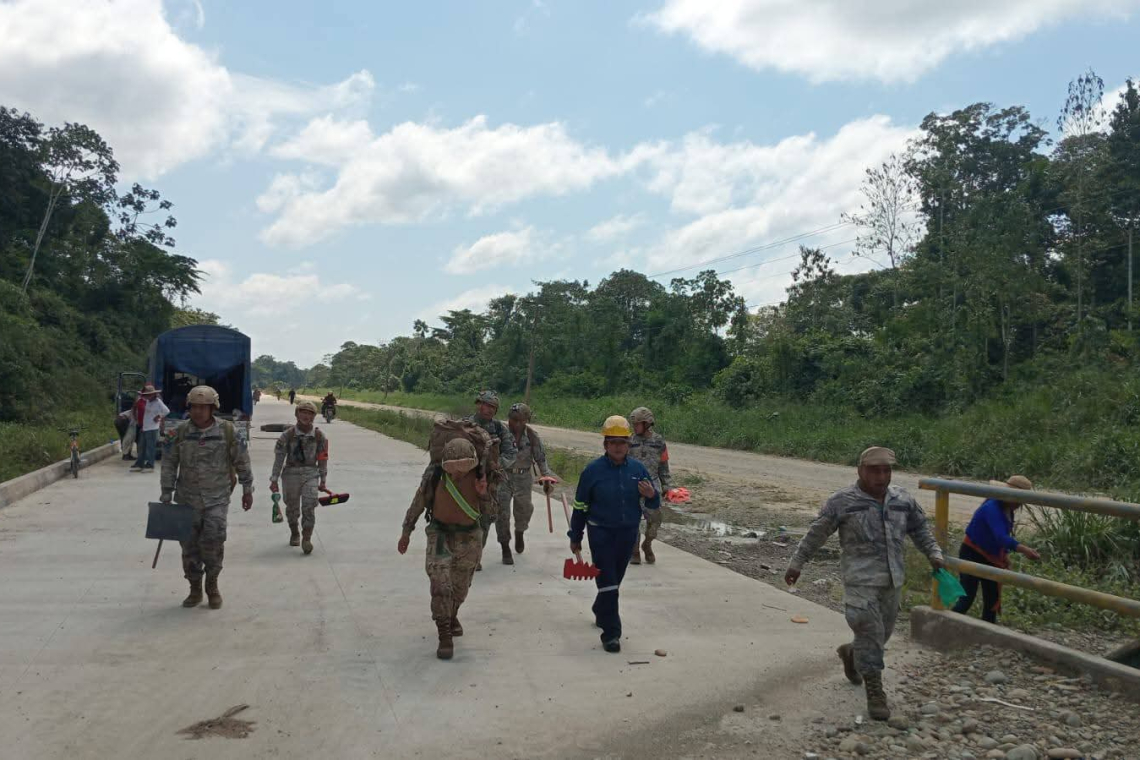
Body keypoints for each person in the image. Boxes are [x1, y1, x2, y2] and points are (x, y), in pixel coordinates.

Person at [784, 446, 943, 721]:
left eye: (886, 471)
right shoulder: (842, 502)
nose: (881, 477)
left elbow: (920, 529)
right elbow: (816, 533)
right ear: (860, 471)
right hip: (859, 581)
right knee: (868, 630)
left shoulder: (902, 500)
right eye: (874, 471)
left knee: (881, 636)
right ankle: (875, 691)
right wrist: (797, 563)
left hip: (892, 580)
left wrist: (934, 554)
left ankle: (852, 654)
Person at [569, 415, 660, 654]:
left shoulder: (638, 470)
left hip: (628, 533)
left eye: (622, 442)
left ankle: (601, 609)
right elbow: (580, 505)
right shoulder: (593, 471)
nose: (618, 447)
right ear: (605, 445)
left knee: (614, 581)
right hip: (600, 533)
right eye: (613, 442)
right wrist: (575, 535)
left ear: (628, 444)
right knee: (608, 581)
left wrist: (651, 494)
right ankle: (612, 634)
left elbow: (653, 503)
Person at [160, 385, 254, 610]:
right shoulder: (179, 433)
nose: (199, 411)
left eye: (204, 407)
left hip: (217, 499)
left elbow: (242, 460)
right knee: (189, 548)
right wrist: (166, 491)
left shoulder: (228, 431)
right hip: (186, 499)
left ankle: (212, 586)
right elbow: (169, 463)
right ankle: (194, 588)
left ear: (213, 408)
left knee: (213, 543)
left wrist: (247, 488)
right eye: (195, 407)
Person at [398, 437, 492, 660]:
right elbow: (418, 503)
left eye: (463, 468)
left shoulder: (481, 477)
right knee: (440, 584)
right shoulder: (436, 476)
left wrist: (483, 494)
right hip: (440, 534)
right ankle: (444, 634)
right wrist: (406, 532)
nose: (458, 473)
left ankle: (452, 615)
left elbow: (491, 513)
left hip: (469, 537)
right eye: (452, 468)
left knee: (460, 588)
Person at [952, 475, 1041, 624]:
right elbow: (1001, 537)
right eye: (1019, 499)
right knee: (967, 597)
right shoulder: (991, 508)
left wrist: (1004, 555)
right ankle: (946, 624)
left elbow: (1000, 537)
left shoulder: (1007, 510)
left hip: (991, 556)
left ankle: (987, 631)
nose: (1020, 504)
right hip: (972, 553)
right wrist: (1024, 549)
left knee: (992, 599)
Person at [496, 403, 559, 564]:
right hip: (503, 476)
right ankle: (505, 546)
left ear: (526, 421)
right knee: (501, 512)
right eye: (512, 419)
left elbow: (541, 459)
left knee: (524, 509)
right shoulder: (501, 434)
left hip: (523, 477)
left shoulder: (532, 436)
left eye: (519, 420)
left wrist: (547, 478)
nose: (515, 423)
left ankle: (519, 532)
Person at [464, 390, 516, 566]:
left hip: (491, 481)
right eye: (487, 405)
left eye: (494, 407)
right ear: (479, 404)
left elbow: (510, 452)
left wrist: (496, 463)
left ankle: (476, 556)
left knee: (485, 518)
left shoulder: (500, 428)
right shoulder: (466, 425)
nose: (490, 410)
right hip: (467, 479)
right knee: (466, 518)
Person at [270, 400, 329, 555]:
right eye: (302, 412)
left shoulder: (319, 436)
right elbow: (279, 457)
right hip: (291, 473)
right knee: (292, 508)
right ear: (296, 414)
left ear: (314, 417)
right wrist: (274, 479)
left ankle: (307, 538)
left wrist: (323, 479)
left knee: (309, 505)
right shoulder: (287, 435)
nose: (305, 416)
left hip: (310, 473)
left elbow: (323, 458)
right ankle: (294, 531)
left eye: (309, 413)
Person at [628, 406, 672, 565]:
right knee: (633, 521)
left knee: (655, 520)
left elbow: (664, 466)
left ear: (647, 424)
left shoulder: (659, 442)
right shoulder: (629, 441)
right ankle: (634, 551)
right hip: (633, 486)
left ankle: (647, 544)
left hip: (652, 487)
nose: (634, 427)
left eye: (637, 424)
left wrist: (667, 485)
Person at [131, 384, 169, 472]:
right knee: (142, 447)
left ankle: (150, 465)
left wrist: (159, 416)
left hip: (152, 428)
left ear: (152, 394)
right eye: (144, 395)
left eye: (147, 395)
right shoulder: (147, 401)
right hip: (145, 427)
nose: (145, 396)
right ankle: (140, 464)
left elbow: (166, 411)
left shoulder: (158, 402)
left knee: (150, 448)